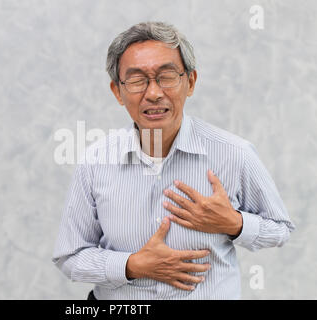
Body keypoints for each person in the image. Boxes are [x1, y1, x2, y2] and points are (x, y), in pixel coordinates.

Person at [52, 21, 295, 300]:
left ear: (190, 82)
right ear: (117, 91)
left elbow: (280, 229)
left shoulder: (235, 153)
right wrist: (131, 265)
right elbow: (69, 256)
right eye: (136, 80)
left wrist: (235, 223)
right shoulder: (95, 161)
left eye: (166, 76)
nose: (153, 93)